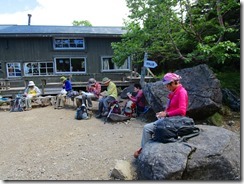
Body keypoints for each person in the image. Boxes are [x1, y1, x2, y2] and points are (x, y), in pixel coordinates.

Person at [134, 73, 188, 158]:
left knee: (147, 128)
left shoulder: (181, 92)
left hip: (174, 121)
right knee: (155, 124)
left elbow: (182, 110)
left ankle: (144, 151)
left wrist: (166, 114)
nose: (167, 87)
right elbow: (172, 108)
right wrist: (163, 113)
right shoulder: (175, 92)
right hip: (170, 118)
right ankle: (145, 148)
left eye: (167, 85)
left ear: (173, 83)